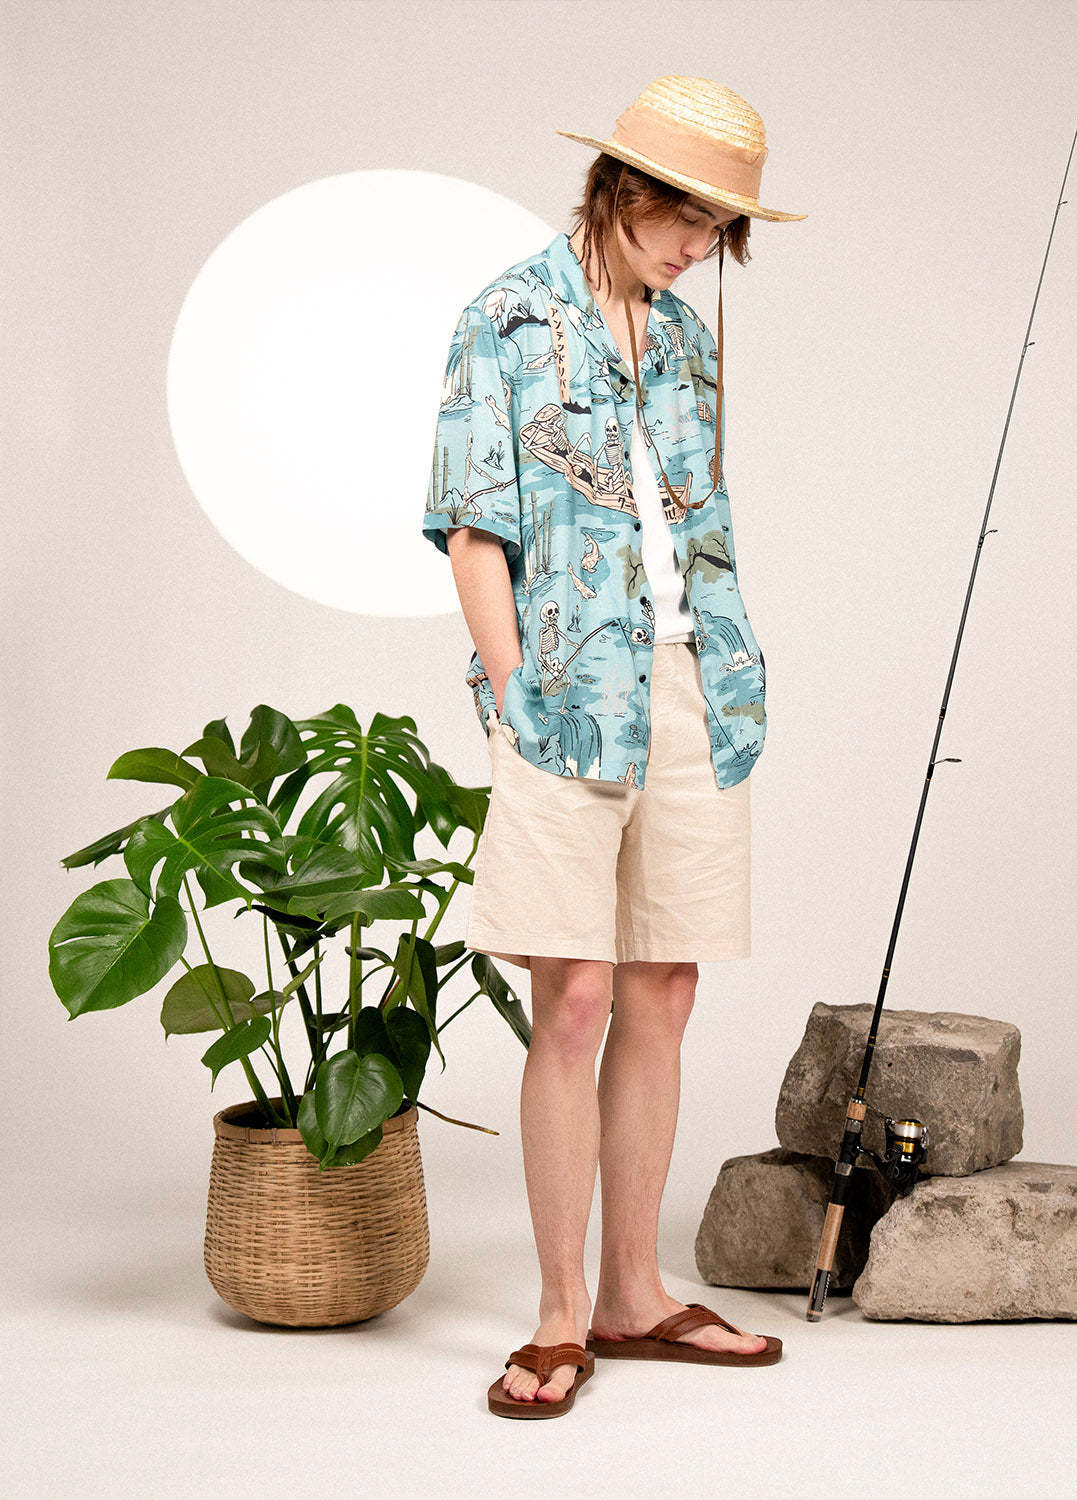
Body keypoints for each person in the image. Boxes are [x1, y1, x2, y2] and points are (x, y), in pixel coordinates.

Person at [422, 75, 806, 1419]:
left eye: (719, 228)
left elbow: (691, 521)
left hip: (693, 687)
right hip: (562, 696)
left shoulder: (689, 340)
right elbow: (473, 527)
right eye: (686, 217)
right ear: (619, 189)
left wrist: (735, 664)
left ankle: (635, 1294)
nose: (700, 246)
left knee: (664, 989)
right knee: (572, 995)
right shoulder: (507, 316)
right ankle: (556, 1314)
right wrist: (513, 689)